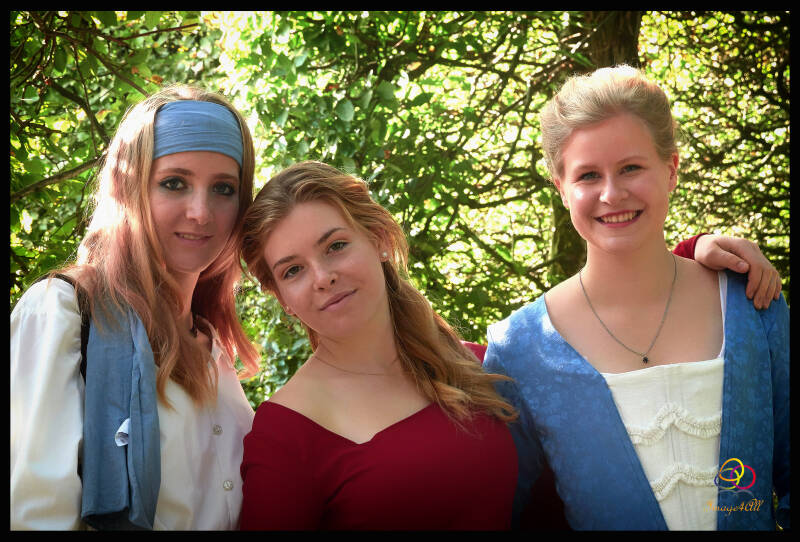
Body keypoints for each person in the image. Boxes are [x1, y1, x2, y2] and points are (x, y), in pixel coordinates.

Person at [484, 65, 789, 530]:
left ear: (671, 170)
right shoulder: (520, 350)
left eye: (631, 167)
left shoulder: (752, 304)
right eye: (588, 175)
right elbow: (514, 515)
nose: (611, 193)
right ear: (561, 189)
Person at [10, 84, 260, 530]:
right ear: (129, 188)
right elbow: (35, 516)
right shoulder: (65, 312)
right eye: (174, 183)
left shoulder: (214, 348)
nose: (201, 212)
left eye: (224, 188)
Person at [237, 161, 519, 530]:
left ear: (379, 239)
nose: (323, 277)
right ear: (282, 297)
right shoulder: (284, 434)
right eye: (293, 270)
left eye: (336, 246)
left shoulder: (479, 365)